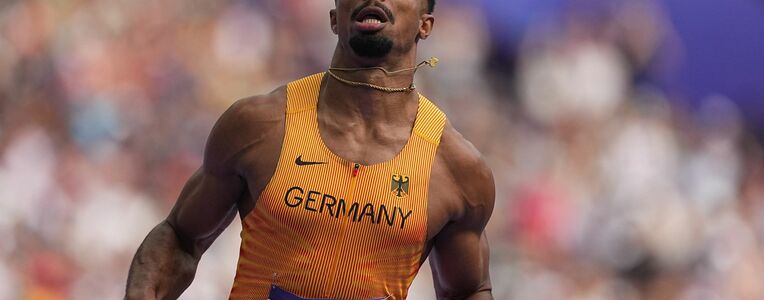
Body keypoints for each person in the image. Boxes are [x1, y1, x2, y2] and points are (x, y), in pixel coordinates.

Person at [124, 0, 495, 299]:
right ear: (335, 19)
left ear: (425, 25)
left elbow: (467, 290)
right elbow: (181, 237)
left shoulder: (457, 169)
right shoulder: (259, 126)